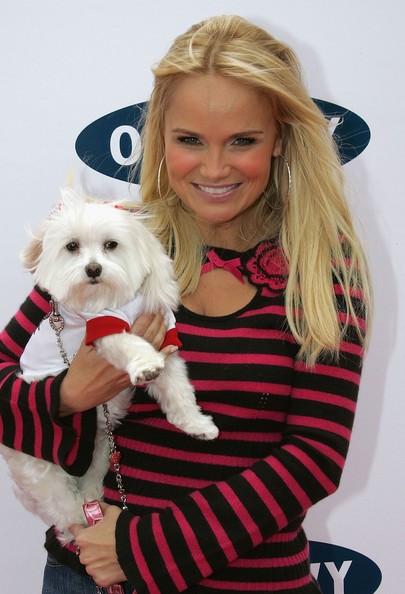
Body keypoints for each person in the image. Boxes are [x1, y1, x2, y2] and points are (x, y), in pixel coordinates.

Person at [0, 14, 371, 594]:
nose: (215, 168)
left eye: (243, 141)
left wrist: (141, 547)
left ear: (280, 140)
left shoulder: (324, 262)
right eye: (189, 140)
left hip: (250, 582)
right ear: (160, 139)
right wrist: (67, 394)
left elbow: (315, 453)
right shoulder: (112, 239)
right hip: (88, 577)